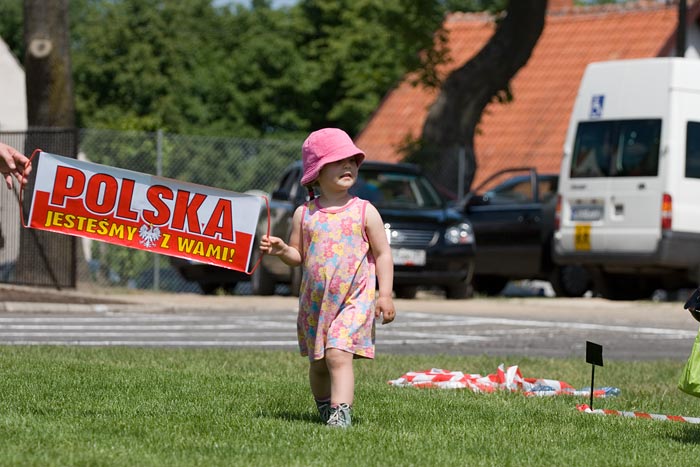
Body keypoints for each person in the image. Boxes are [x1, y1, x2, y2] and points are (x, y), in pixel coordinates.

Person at [259, 128, 396, 428]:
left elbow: (383, 254)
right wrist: (282, 249)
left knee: (337, 354)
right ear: (316, 173)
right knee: (319, 364)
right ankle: (325, 408)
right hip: (316, 303)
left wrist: (384, 294)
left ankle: (341, 413)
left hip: (354, 299)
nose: (348, 166)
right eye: (337, 161)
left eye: (352, 160)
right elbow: (299, 256)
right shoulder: (304, 214)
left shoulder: (365, 211)